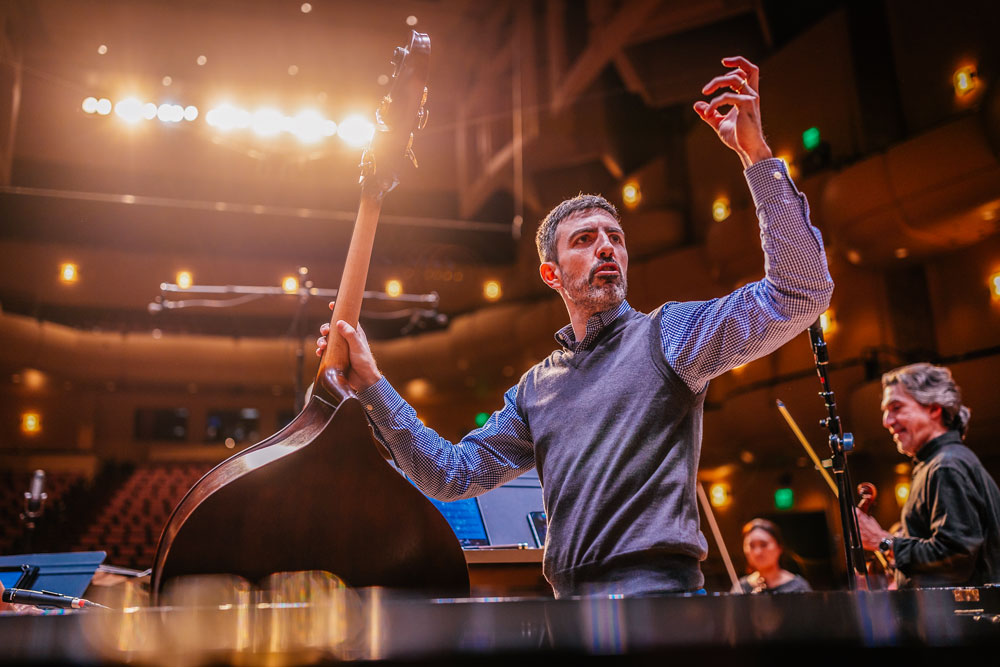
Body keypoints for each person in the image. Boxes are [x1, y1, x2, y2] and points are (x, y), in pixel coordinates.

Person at [317, 56, 833, 597]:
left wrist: (756, 156)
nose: (606, 245)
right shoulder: (536, 389)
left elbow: (801, 292)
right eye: (584, 240)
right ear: (552, 274)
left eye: (615, 237)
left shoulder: (670, 336)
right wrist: (373, 385)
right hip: (571, 609)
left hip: (664, 602)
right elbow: (450, 474)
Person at [855, 363, 1000, 588]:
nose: (886, 421)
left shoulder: (946, 465)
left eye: (896, 407)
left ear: (933, 408)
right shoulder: (939, 463)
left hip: (967, 621)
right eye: (885, 411)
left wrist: (883, 542)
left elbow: (956, 558)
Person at [733, 519, 811, 594]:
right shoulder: (741, 587)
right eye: (752, 546)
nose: (757, 552)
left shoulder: (798, 587)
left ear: (779, 547)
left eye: (764, 544)